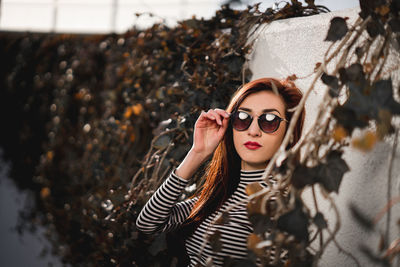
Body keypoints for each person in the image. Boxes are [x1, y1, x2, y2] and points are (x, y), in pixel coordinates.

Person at [136, 77, 305, 266]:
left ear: (288, 133)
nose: (253, 131)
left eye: (270, 120)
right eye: (242, 118)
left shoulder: (278, 207)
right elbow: (148, 223)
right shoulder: (223, 192)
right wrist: (198, 153)